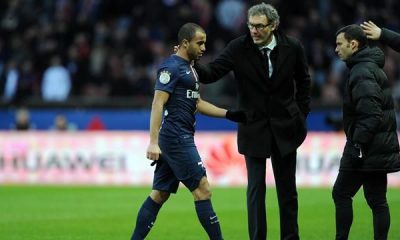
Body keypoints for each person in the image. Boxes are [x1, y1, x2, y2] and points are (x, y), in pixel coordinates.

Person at [194, 3, 311, 240]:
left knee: (288, 191)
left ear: (273, 26)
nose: (254, 31)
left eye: (259, 26)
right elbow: (213, 72)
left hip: (286, 127)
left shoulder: (293, 47)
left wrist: (300, 115)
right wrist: (190, 59)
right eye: (251, 26)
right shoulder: (238, 47)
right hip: (253, 126)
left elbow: (304, 81)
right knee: (256, 190)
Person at [130, 23, 245, 240]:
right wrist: (153, 142)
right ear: (185, 43)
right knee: (203, 190)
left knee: (160, 194)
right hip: (176, 138)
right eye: (199, 43)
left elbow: (198, 103)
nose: (203, 48)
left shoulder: (190, 70)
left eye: (205, 43)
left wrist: (229, 114)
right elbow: (157, 103)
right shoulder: (171, 68)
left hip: (177, 137)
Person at [333, 24, 400, 240]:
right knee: (378, 200)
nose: (336, 49)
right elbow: (369, 108)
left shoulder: (361, 71)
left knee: (341, 193)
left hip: (366, 148)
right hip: (379, 146)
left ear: (353, 44)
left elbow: (371, 114)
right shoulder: (369, 67)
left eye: (339, 44)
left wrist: (356, 144)